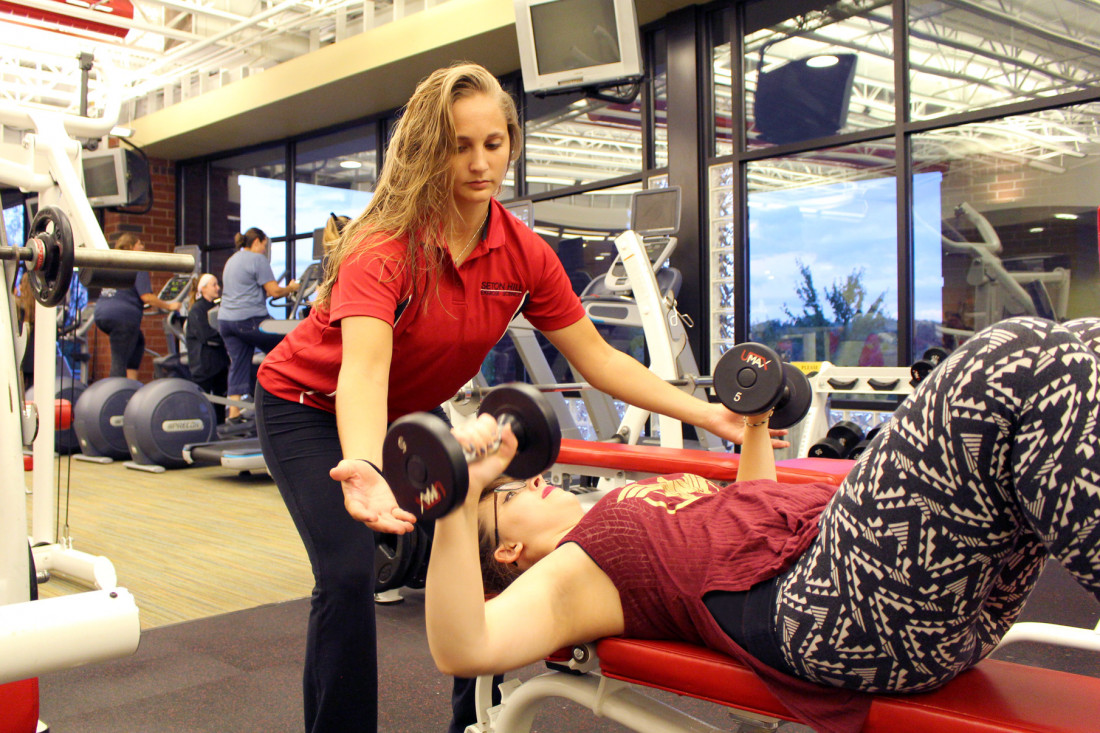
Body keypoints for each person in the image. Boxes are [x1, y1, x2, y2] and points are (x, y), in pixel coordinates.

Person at [254, 61, 778, 733]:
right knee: (349, 572)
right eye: (458, 145)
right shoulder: (385, 247)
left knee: (473, 552)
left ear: (511, 142)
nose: (479, 163)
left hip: (399, 412)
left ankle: (470, 722)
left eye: (493, 144)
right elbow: (362, 371)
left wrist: (706, 411)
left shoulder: (521, 252)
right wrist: (364, 464)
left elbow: (598, 357)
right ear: (428, 149)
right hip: (306, 406)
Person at [425, 316, 1100, 733]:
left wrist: (754, 420)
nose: (533, 476)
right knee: (1019, 354)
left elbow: (751, 515)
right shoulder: (572, 573)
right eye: (509, 493)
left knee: (1084, 345)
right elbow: (466, 647)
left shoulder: (618, 508)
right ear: (509, 547)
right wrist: (459, 493)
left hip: (892, 588)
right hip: (843, 613)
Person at [217, 227, 298, 422]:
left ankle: (234, 414)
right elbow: (274, 291)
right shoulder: (257, 259)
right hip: (250, 321)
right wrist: (293, 288)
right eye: (264, 245)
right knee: (287, 348)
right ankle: (285, 401)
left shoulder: (232, 260)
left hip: (226, 322)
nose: (264, 250)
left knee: (238, 363)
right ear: (256, 242)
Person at [92, 233, 181, 380]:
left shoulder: (114, 263)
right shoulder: (136, 263)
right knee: (119, 361)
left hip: (102, 314)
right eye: (140, 244)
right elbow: (146, 297)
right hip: (123, 318)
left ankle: (131, 385)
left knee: (138, 341)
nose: (142, 247)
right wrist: (169, 306)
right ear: (132, 247)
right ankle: (116, 395)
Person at [184, 273, 230, 423]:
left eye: (218, 284)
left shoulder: (216, 307)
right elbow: (206, 335)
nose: (218, 288)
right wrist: (227, 336)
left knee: (220, 402)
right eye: (214, 285)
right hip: (203, 366)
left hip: (218, 364)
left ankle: (220, 426)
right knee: (201, 401)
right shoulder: (197, 310)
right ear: (203, 289)